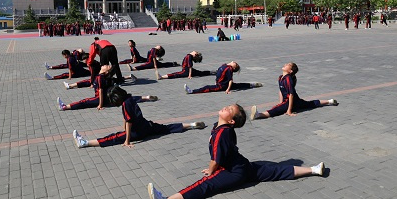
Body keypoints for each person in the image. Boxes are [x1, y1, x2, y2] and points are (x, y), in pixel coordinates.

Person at [147, 104, 326, 199]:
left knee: (204, 185)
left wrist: (211, 170)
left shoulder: (221, 133)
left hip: (233, 171)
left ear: (231, 120)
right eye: (228, 106)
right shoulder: (221, 128)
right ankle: (314, 169)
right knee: (275, 171)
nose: (226, 107)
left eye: (229, 109)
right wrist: (214, 166)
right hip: (243, 166)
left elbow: (215, 159)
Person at [72, 86, 206, 148]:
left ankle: (85, 143)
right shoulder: (130, 99)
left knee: (112, 138)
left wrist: (127, 140)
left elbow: (128, 122)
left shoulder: (125, 104)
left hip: (137, 132)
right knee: (166, 128)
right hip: (147, 126)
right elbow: (128, 119)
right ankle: (191, 125)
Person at [250, 62, 338, 120]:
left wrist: (289, 110)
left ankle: (258, 115)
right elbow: (281, 91)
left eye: (288, 64)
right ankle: (329, 101)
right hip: (294, 101)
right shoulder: (280, 77)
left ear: (290, 71)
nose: (285, 64)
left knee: (275, 110)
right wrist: (280, 103)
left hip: (291, 101)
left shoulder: (288, 79)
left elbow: (291, 95)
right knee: (310, 104)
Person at [57, 65, 154, 111]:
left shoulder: (100, 77)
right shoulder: (106, 77)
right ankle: (145, 97)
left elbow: (100, 91)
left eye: (107, 66)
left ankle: (65, 107)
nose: (105, 65)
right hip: (110, 97)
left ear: (106, 71)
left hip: (101, 98)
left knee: (84, 102)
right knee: (126, 98)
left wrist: (100, 104)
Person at [184, 61, 262, 94]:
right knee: (239, 85)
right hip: (220, 83)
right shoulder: (225, 65)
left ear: (234, 67)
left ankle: (192, 91)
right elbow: (218, 74)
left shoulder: (229, 69)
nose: (233, 61)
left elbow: (230, 80)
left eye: (235, 63)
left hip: (222, 86)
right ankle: (252, 85)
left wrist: (227, 90)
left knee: (207, 88)